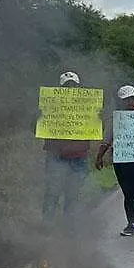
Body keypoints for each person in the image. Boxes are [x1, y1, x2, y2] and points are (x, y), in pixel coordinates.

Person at [95, 85, 134, 238]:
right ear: (120, 102)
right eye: (127, 99)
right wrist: (99, 157)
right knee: (128, 193)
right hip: (122, 160)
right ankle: (132, 224)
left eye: (133, 98)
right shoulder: (115, 118)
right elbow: (107, 140)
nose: (131, 102)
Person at [42, 71, 94, 225]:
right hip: (56, 156)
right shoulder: (50, 105)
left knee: (72, 194)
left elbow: (99, 124)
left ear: (78, 88)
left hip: (78, 157)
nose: (71, 89)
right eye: (67, 86)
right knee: (52, 193)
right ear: (60, 88)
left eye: (73, 86)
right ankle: (47, 226)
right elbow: (37, 125)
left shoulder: (87, 105)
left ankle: (68, 228)